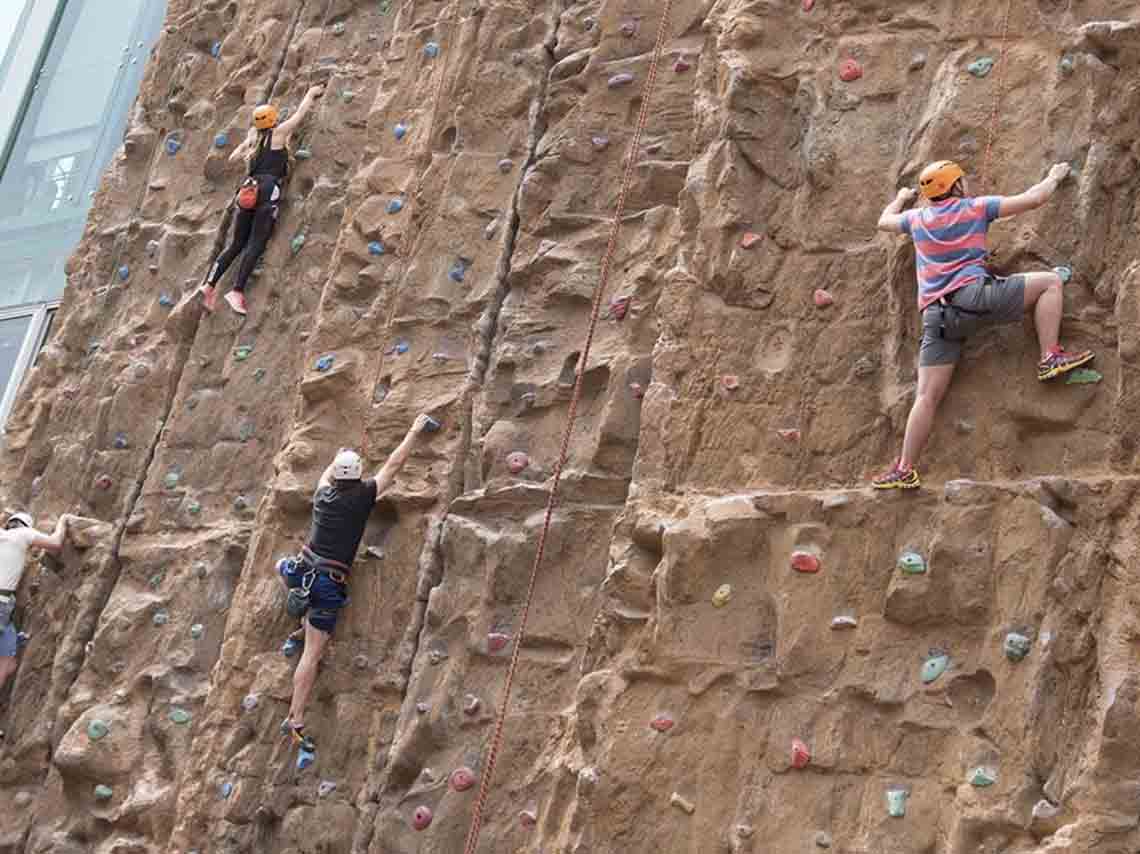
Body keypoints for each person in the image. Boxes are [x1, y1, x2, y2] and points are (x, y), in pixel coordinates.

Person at [871, 160, 1094, 490]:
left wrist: (902, 197)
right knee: (1050, 283)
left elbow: (883, 221)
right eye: (961, 180)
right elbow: (1034, 199)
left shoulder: (916, 219)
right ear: (955, 186)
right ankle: (1050, 356)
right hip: (975, 298)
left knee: (926, 396)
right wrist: (1055, 176)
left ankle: (905, 468)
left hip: (938, 318)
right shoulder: (975, 208)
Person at [277, 413, 437, 754]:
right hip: (325, 585)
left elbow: (324, 477)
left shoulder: (323, 496)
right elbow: (393, 466)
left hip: (300, 569)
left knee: (283, 567)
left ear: (335, 476)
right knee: (313, 653)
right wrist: (414, 430)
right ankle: (296, 717)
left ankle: (300, 620)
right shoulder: (363, 496)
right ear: (357, 475)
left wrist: (338, 457)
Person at [200, 85, 324, 317]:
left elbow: (233, 157)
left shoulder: (253, 139)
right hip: (268, 190)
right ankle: (236, 292)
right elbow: (299, 115)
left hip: (247, 191)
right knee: (256, 243)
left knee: (236, 244)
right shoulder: (277, 134)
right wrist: (310, 93)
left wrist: (249, 146)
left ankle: (209, 285)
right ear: (273, 119)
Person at [0, 512, 73, 721]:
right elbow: (56, 543)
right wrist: (63, 520)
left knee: (8, 661)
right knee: (5, 664)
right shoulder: (24, 534)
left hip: (4, 609)